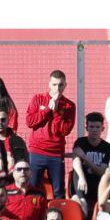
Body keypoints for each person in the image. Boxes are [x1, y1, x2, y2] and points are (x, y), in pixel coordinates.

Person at [26, 70, 76, 198]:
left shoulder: (69, 106)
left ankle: (56, 217)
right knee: (33, 190)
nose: (57, 88)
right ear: (49, 84)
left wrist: (57, 111)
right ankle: (35, 218)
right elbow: (30, 122)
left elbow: (65, 130)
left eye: (60, 85)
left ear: (65, 85)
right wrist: (48, 109)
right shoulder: (38, 99)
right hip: (36, 152)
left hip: (56, 154)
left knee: (58, 192)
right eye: (54, 84)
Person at [70, 112, 110, 216]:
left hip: (97, 184)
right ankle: (80, 198)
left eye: (97, 127)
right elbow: (76, 160)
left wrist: (86, 159)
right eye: (91, 126)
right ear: (87, 128)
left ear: (102, 129)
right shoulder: (80, 142)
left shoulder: (107, 147)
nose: (94, 130)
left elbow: (102, 172)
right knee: (77, 170)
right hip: (82, 184)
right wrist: (81, 177)